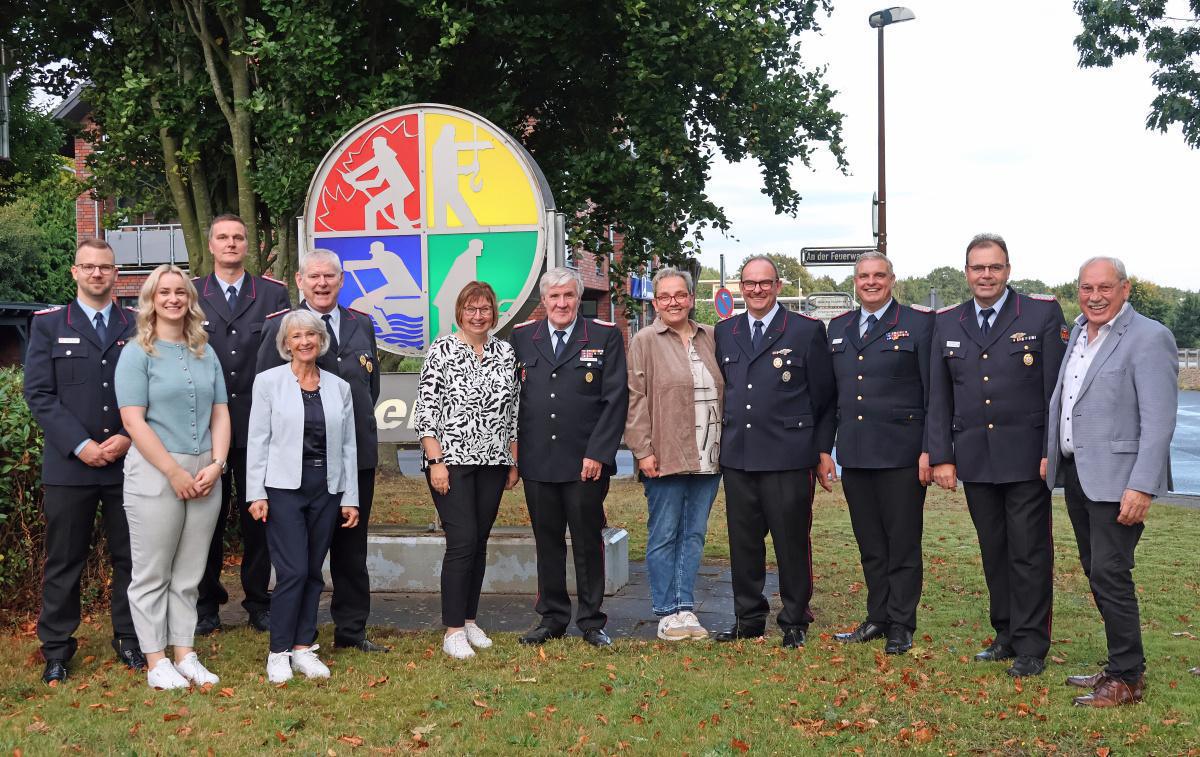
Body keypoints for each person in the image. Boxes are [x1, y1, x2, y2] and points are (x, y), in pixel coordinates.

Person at [927, 233, 1067, 678]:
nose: (986, 275)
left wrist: (1050, 452)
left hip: (1027, 458)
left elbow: (1055, 393)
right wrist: (943, 456)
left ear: (1008, 270)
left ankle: (1031, 645)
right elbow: (940, 396)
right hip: (975, 458)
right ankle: (1005, 633)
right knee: (994, 550)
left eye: (994, 267)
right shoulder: (947, 322)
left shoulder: (1041, 314)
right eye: (977, 267)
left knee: (1028, 552)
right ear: (965, 272)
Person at [1045, 256, 1177, 706]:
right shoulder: (1079, 334)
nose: (1095, 296)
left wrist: (1142, 485)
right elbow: (1068, 401)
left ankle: (1128, 677)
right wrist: (1052, 455)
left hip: (1120, 482)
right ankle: (1119, 666)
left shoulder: (1149, 337)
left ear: (1125, 289)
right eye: (1086, 288)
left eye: (1104, 287)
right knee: (1096, 571)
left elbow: (1159, 421)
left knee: (1110, 573)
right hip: (1081, 477)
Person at [23, 238, 145, 684]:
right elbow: (39, 392)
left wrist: (127, 438)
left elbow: (151, 388)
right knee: (64, 559)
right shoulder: (50, 325)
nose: (97, 274)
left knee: (130, 558)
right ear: (75, 272)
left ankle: (130, 639)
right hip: (70, 466)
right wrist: (81, 445)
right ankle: (56, 648)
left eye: (105, 268)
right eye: (89, 267)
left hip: (128, 462)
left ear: (117, 275)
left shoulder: (137, 325)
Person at [257, 249, 385, 652]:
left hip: (353, 456)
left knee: (351, 550)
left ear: (341, 280)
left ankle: (350, 631)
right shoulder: (282, 326)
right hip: (297, 465)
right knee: (302, 558)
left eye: (330, 276)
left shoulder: (362, 324)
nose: (322, 283)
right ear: (300, 280)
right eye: (314, 277)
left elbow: (369, 389)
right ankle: (296, 636)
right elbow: (268, 393)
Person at [115, 264, 231, 690]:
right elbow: (134, 421)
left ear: (189, 299)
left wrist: (217, 464)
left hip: (205, 474)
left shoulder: (204, 351)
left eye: (180, 292)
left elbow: (221, 412)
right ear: (151, 299)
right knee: (152, 572)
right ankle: (156, 659)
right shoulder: (136, 353)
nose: (173, 299)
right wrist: (173, 471)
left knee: (189, 573)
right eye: (164, 292)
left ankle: (185, 652)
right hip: (156, 474)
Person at [714, 256, 836, 648]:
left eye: (765, 283)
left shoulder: (804, 331)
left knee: (791, 542)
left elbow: (824, 399)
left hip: (788, 455)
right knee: (744, 543)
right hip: (739, 456)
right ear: (740, 287)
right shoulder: (725, 331)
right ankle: (748, 618)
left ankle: (795, 619)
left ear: (778, 286)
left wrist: (821, 450)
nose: (757, 290)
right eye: (749, 283)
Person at [510, 267, 628, 648]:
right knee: (547, 542)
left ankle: (592, 621)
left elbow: (615, 400)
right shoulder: (522, 338)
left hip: (585, 463)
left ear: (579, 299)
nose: (561, 303)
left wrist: (598, 453)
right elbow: (513, 400)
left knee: (587, 541)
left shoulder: (605, 336)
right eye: (554, 297)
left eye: (568, 296)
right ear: (543, 302)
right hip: (538, 460)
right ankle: (552, 617)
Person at [822, 251, 933, 655]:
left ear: (892, 279)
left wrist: (930, 451)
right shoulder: (838, 327)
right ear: (855, 281)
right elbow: (829, 396)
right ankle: (877, 617)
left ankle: (901, 624)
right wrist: (824, 448)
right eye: (864, 276)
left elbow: (932, 393)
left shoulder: (919, 325)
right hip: (855, 451)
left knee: (902, 543)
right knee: (870, 543)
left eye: (878, 275)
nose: (871, 282)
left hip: (902, 454)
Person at [246, 310, 359, 683]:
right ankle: (278, 651)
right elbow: (258, 440)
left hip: (325, 487)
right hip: (283, 488)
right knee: (292, 570)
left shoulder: (338, 387)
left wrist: (350, 498)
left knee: (312, 571)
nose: (305, 341)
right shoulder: (268, 383)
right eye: (297, 336)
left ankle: (303, 647)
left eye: (311, 335)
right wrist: (255, 492)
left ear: (321, 340)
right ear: (286, 343)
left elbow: (348, 447)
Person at [193, 214, 291, 636]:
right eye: (222, 237)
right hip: (203, 427)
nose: (231, 243)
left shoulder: (273, 294)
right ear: (210, 245)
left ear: (247, 245)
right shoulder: (192, 294)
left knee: (259, 520)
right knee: (205, 520)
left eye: (238, 237)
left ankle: (258, 601)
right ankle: (205, 604)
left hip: (259, 428)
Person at [413, 281, 520, 659]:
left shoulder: (505, 353)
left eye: (485, 309)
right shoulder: (441, 351)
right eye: (471, 309)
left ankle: (470, 620)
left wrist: (512, 458)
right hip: (451, 462)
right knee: (461, 541)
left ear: (494, 313)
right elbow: (426, 410)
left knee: (479, 542)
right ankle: (453, 630)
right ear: (459, 312)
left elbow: (512, 411)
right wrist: (435, 460)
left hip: (493, 461)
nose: (478, 315)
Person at [625, 268, 724, 641]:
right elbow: (634, 399)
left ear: (691, 298)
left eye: (680, 295)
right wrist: (643, 450)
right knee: (664, 534)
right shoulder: (645, 341)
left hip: (708, 456)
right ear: (655, 303)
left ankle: (686, 609)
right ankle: (667, 612)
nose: (673, 302)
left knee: (694, 534)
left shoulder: (712, 338)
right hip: (663, 455)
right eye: (664, 296)